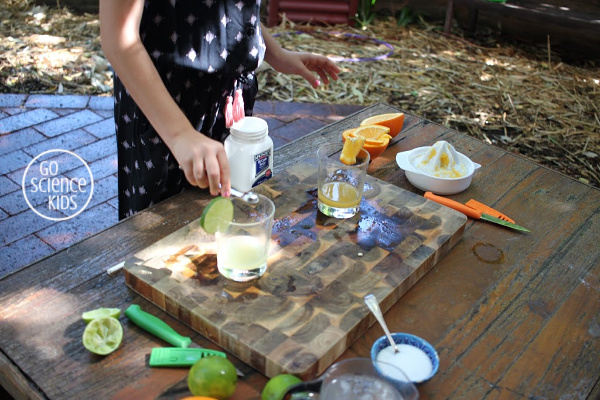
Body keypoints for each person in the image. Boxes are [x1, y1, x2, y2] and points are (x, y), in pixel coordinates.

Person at [99, 0, 340, 220]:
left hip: (232, 97)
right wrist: (179, 134)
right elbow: (118, 39)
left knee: (231, 216)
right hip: (162, 104)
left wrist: (276, 54)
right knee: (158, 232)